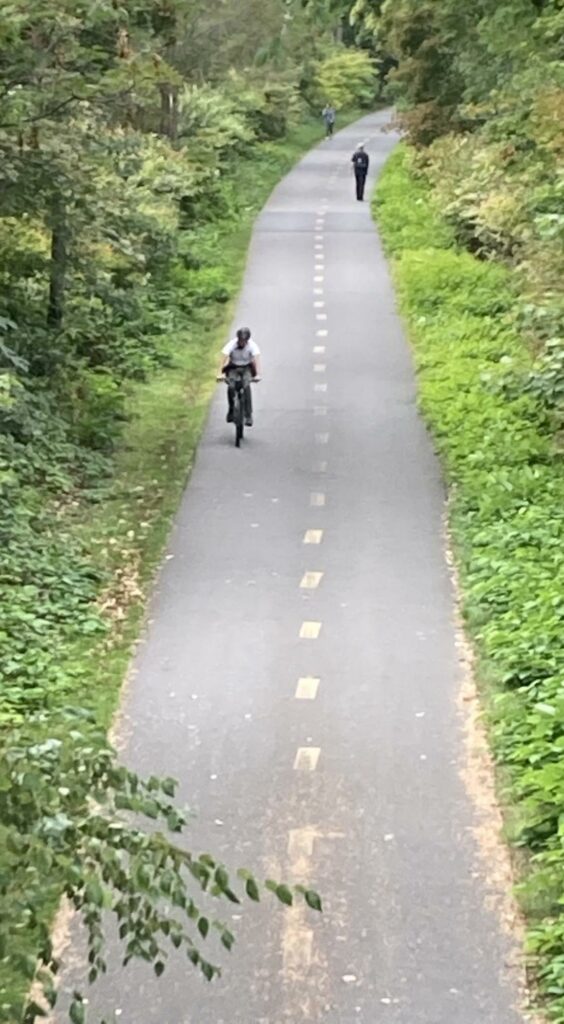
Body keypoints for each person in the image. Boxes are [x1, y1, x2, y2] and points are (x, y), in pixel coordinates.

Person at [219, 327, 261, 427]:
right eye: (240, 340)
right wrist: (219, 373)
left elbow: (257, 359)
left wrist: (258, 374)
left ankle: (248, 415)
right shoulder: (231, 344)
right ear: (237, 339)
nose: (242, 343)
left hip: (247, 367)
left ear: (247, 340)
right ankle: (231, 410)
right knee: (231, 386)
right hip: (233, 367)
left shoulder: (252, 345)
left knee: (246, 386)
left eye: (244, 341)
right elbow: (223, 357)